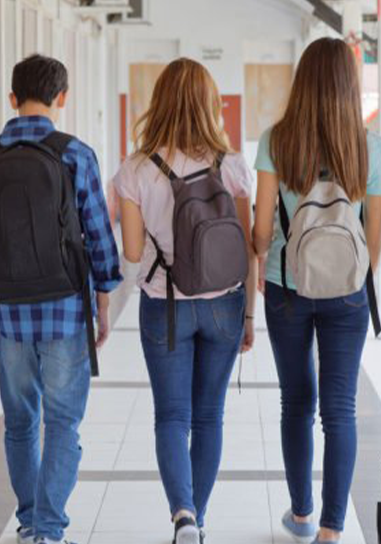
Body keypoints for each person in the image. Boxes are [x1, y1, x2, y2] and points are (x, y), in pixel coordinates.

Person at [0, 54, 121, 544]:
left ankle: (31, 519)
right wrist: (105, 296)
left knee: (19, 424)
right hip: (64, 307)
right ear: (62, 98)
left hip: (8, 314)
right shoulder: (75, 154)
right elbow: (97, 233)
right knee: (63, 424)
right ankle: (48, 530)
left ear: (12, 99)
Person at [251, 37, 381, 544]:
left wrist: (266, 241)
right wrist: (350, 277)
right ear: (351, 85)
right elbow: (373, 238)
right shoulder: (371, 148)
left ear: (302, 82)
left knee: (296, 401)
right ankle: (334, 529)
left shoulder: (275, 141)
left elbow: (263, 234)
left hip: (286, 286)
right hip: (348, 292)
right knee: (340, 407)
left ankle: (303, 515)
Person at [114, 57, 258, 544]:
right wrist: (250, 316)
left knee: (172, 416)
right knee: (209, 415)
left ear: (159, 104)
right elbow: (247, 245)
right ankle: (199, 517)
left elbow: (132, 253)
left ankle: (184, 517)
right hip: (224, 304)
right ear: (209, 104)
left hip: (165, 305)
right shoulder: (232, 165)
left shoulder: (135, 169)